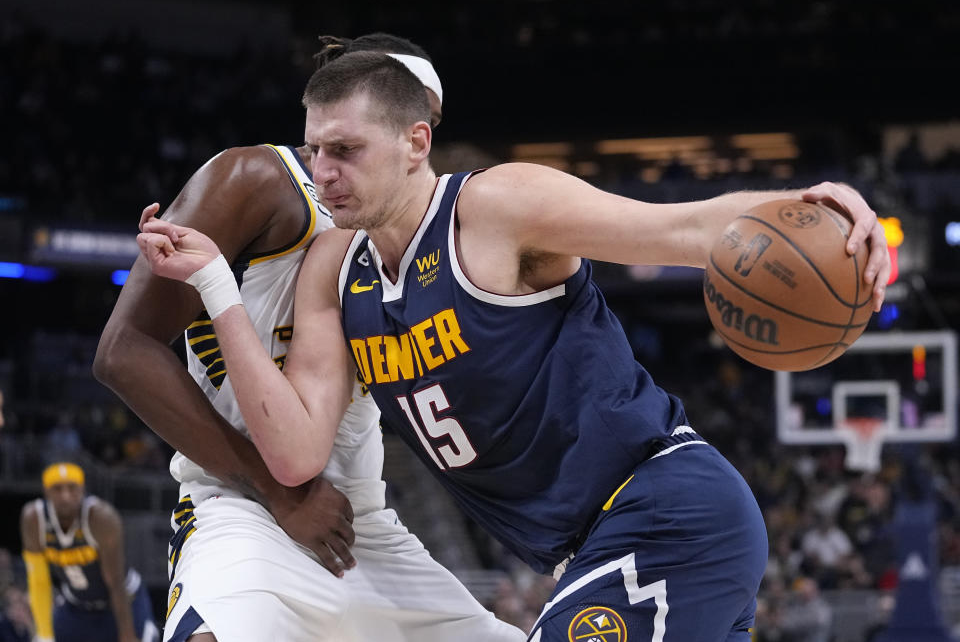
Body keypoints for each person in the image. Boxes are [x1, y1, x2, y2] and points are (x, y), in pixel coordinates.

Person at [136, 51, 892, 641]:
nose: (323, 174)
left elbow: (684, 228)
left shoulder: (496, 209)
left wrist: (811, 203)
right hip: (589, 549)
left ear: (414, 143)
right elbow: (295, 453)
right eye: (314, 151)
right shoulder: (336, 269)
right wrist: (217, 289)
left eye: (345, 150)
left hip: (664, 510)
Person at [95, 34, 524, 641]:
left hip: (359, 522)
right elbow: (123, 351)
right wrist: (278, 493)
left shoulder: (415, 234)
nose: (419, 149)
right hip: (243, 506)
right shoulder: (255, 177)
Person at [19, 462, 158, 642]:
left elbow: (115, 583)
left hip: (122, 601)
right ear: (46, 492)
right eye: (57, 489)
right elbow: (38, 581)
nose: (65, 496)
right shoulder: (33, 519)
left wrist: (127, 635)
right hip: (77, 605)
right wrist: (45, 635)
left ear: (82, 489)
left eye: (72, 488)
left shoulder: (101, 518)